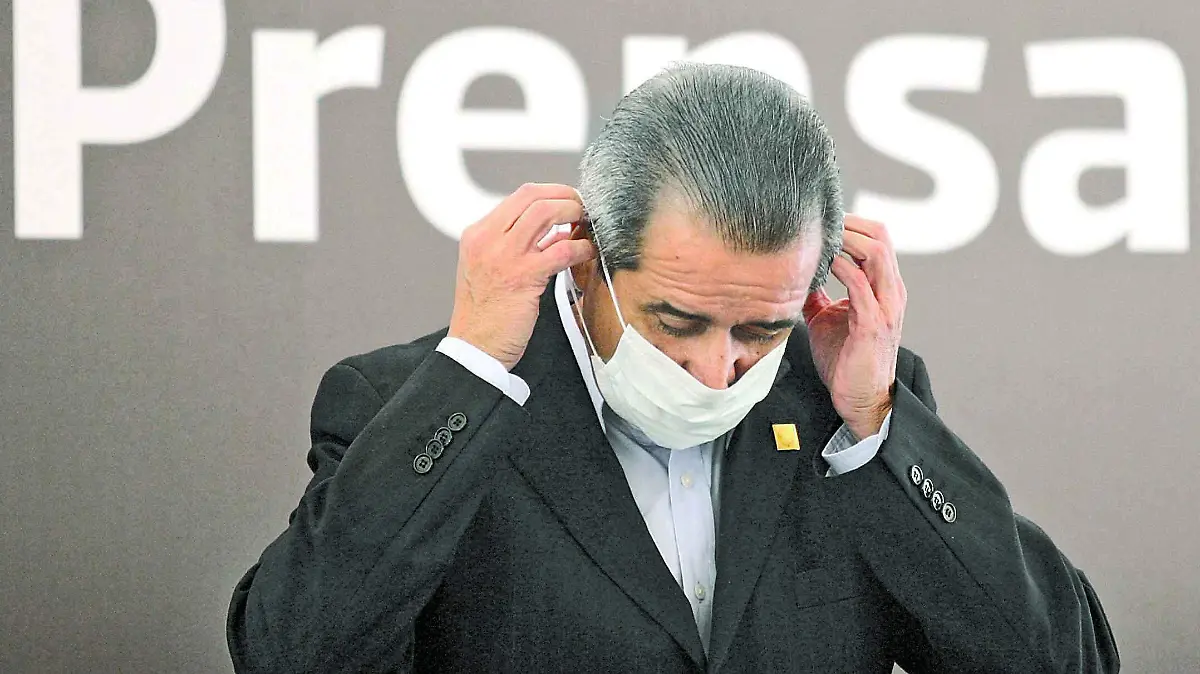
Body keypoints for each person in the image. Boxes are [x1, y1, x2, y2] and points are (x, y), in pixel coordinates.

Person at [226, 63, 1119, 673]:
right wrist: (474, 370)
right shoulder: (412, 404)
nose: (715, 369)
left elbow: (1065, 662)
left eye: (761, 329)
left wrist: (878, 429)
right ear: (585, 261)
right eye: (677, 321)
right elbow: (293, 655)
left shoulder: (851, 412)